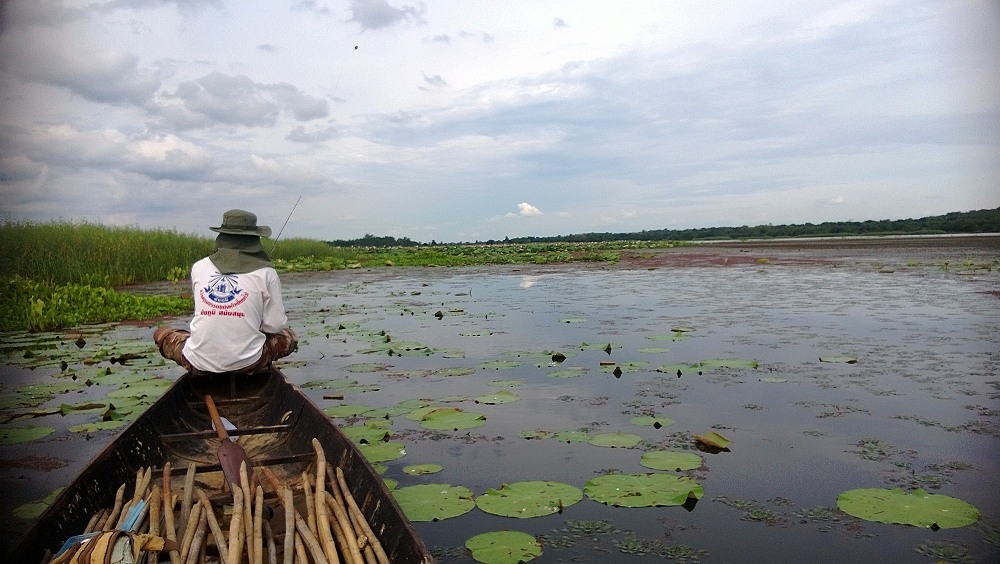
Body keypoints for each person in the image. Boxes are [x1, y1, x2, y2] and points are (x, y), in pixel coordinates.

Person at [154, 209, 297, 374]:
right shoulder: (267, 272)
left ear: (221, 237)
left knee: (162, 333)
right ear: (254, 240)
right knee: (289, 337)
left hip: (197, 362)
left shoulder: (199, 267)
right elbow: (274, 325)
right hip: (249, 363)